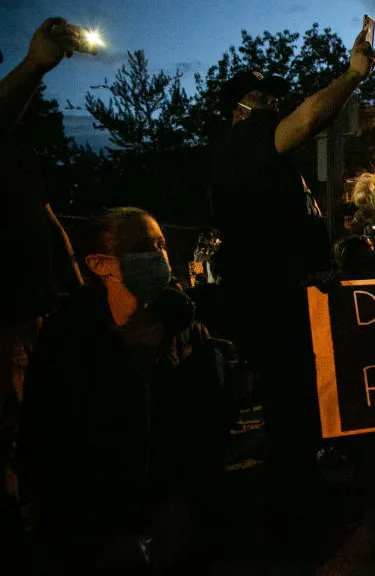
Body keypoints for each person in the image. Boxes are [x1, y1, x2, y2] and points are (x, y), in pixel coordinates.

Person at [210, 27, 374, 524]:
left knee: (303, 400)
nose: (275, 102)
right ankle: (297, 513)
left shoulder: (265, 158)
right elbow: (308, 118)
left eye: (277, 95)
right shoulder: (243, 140)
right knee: (293, 401)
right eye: (264, 96)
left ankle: (304, 494)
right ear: (240, 107)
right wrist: (351, 76)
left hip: (287, 298)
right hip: (273, 303)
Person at [17, 207, 226, 574]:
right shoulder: (65, 340)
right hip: (95, 540)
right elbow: (45, 444)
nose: (158, 256)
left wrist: (182, 510)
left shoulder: (190, 335)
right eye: (141, 246)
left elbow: (205, 437)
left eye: (160, 245)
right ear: (99, 264)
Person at [0, 19, 84, 566]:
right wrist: (33, 67)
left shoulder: (15, 154)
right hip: (2, 324)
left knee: (44, 433)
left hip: (36, 315)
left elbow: (49, 223)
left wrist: (79, 293)